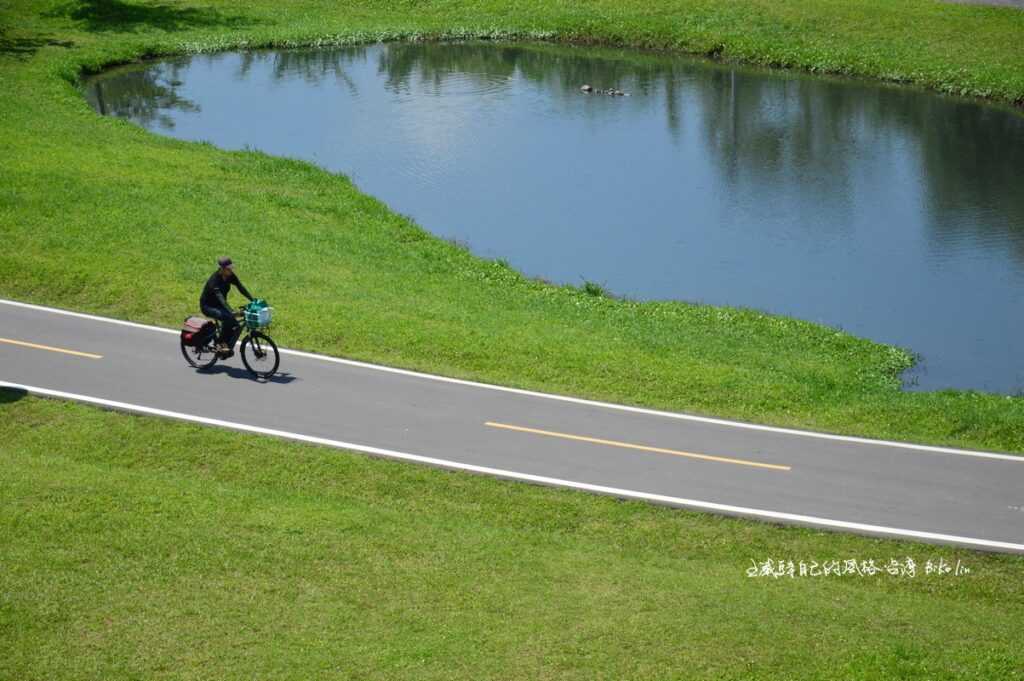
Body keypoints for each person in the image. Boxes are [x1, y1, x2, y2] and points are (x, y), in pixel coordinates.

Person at [200, 256, 253, 357]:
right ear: (222, 269)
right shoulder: (214, 281)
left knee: (236, 325)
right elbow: (220, 298)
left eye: (231, 268)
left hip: (219, 306)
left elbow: (241, 287)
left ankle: (225, 346)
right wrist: (231, 311)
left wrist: (253, 300)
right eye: (229, 269)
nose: (231, 270)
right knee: (228, 317)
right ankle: (220, 345)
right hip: (208, 306)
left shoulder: (230, 276)